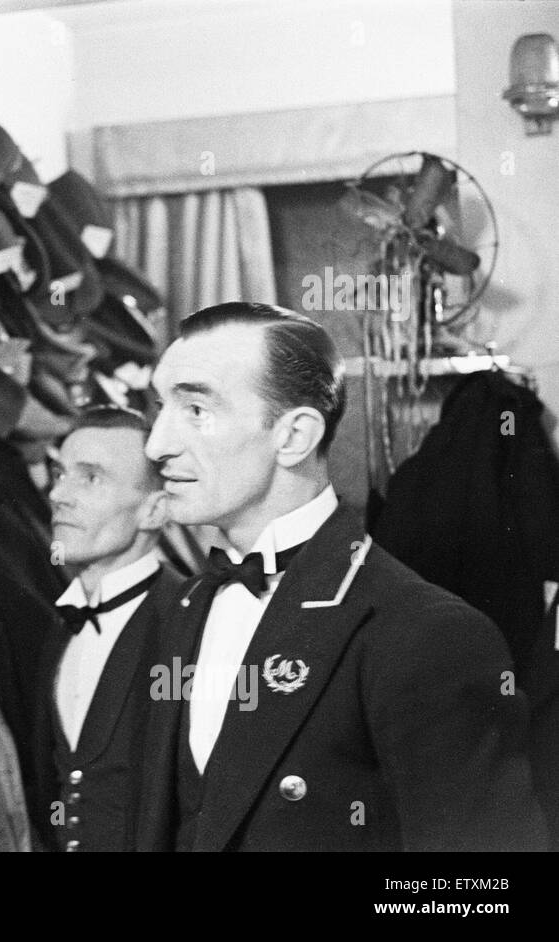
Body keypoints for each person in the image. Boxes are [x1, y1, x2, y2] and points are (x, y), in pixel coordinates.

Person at [137, 301, 547, 851]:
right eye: (159, 407)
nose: (156, 445)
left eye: (195, 410)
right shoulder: (182, 608)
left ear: (294, 437)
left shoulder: (425, 633)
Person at [32, 406, 182, 852]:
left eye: (91, 477)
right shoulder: (62, 625)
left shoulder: (190, 624)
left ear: (154, 510)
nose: (59, 495)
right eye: (60, 474)